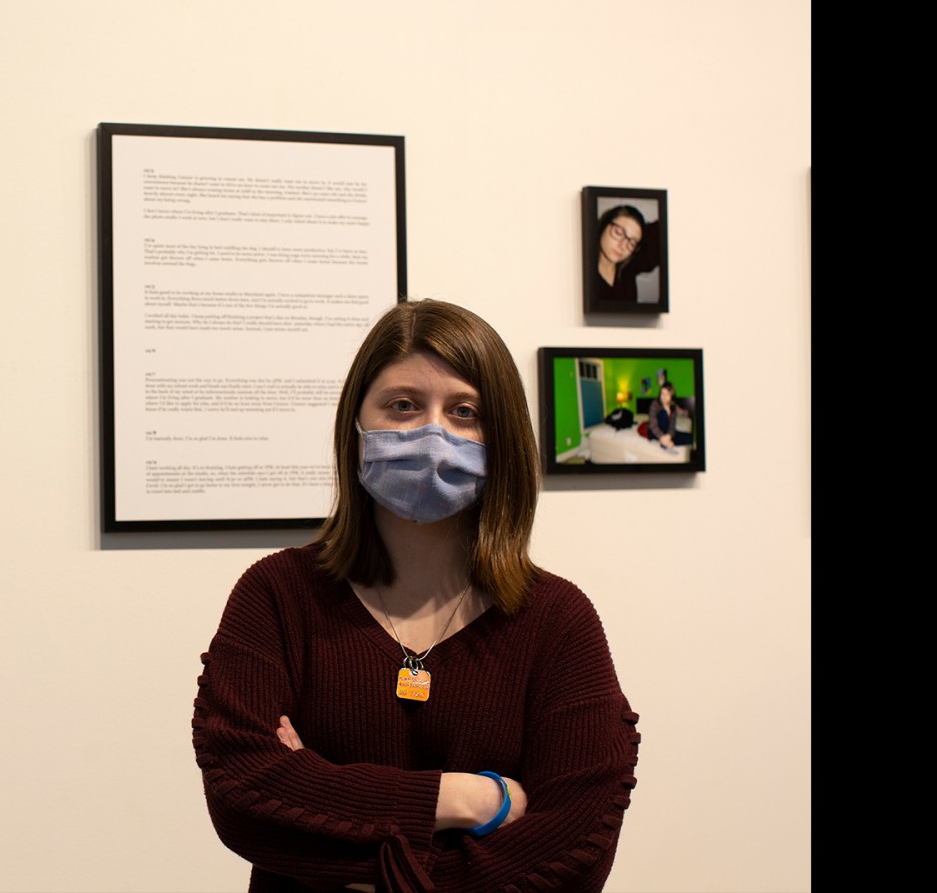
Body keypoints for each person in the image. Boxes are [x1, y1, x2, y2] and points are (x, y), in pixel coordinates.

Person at [192, 299, 639, 892]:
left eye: (464, 411)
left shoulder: (558, 620)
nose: (433, 433)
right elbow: (242, 796)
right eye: (402, 405)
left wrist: (326, 807)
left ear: (502, 437)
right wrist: (471, 798)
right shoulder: (277, 594)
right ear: (356, 425)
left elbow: (575, 851)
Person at [589, 204, 659, 305]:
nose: (623, 246)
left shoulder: (629, 268)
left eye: (632, 242)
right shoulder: (583, 275)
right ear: (604, 224)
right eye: (618, 232)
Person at [647, 380, 693, 450]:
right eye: (662, 393)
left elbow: (672, 426)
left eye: (667, 394)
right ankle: (664, 442)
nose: (664, 397)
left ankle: (665, 442)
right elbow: (652, 425)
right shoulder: (655, 404)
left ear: (671, 395)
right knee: (664, 413)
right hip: (654, 432)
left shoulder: (673, 406)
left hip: (667, 431)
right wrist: (662, 437)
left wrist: (669, 436)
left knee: (689, 437)